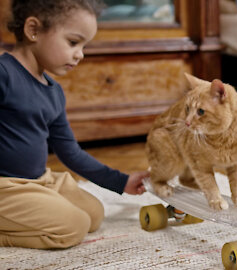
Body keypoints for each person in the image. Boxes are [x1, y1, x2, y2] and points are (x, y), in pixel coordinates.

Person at [0, 0, 149, 249]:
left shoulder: (54, 92)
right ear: (33, 30)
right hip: (5, 186)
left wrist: (121, 181)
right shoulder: (4, 74)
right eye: (73, 42)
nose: (80, 54)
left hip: (39, 180)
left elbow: (70, 152)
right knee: (73, 227)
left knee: (94, 214)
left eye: (83, 46)